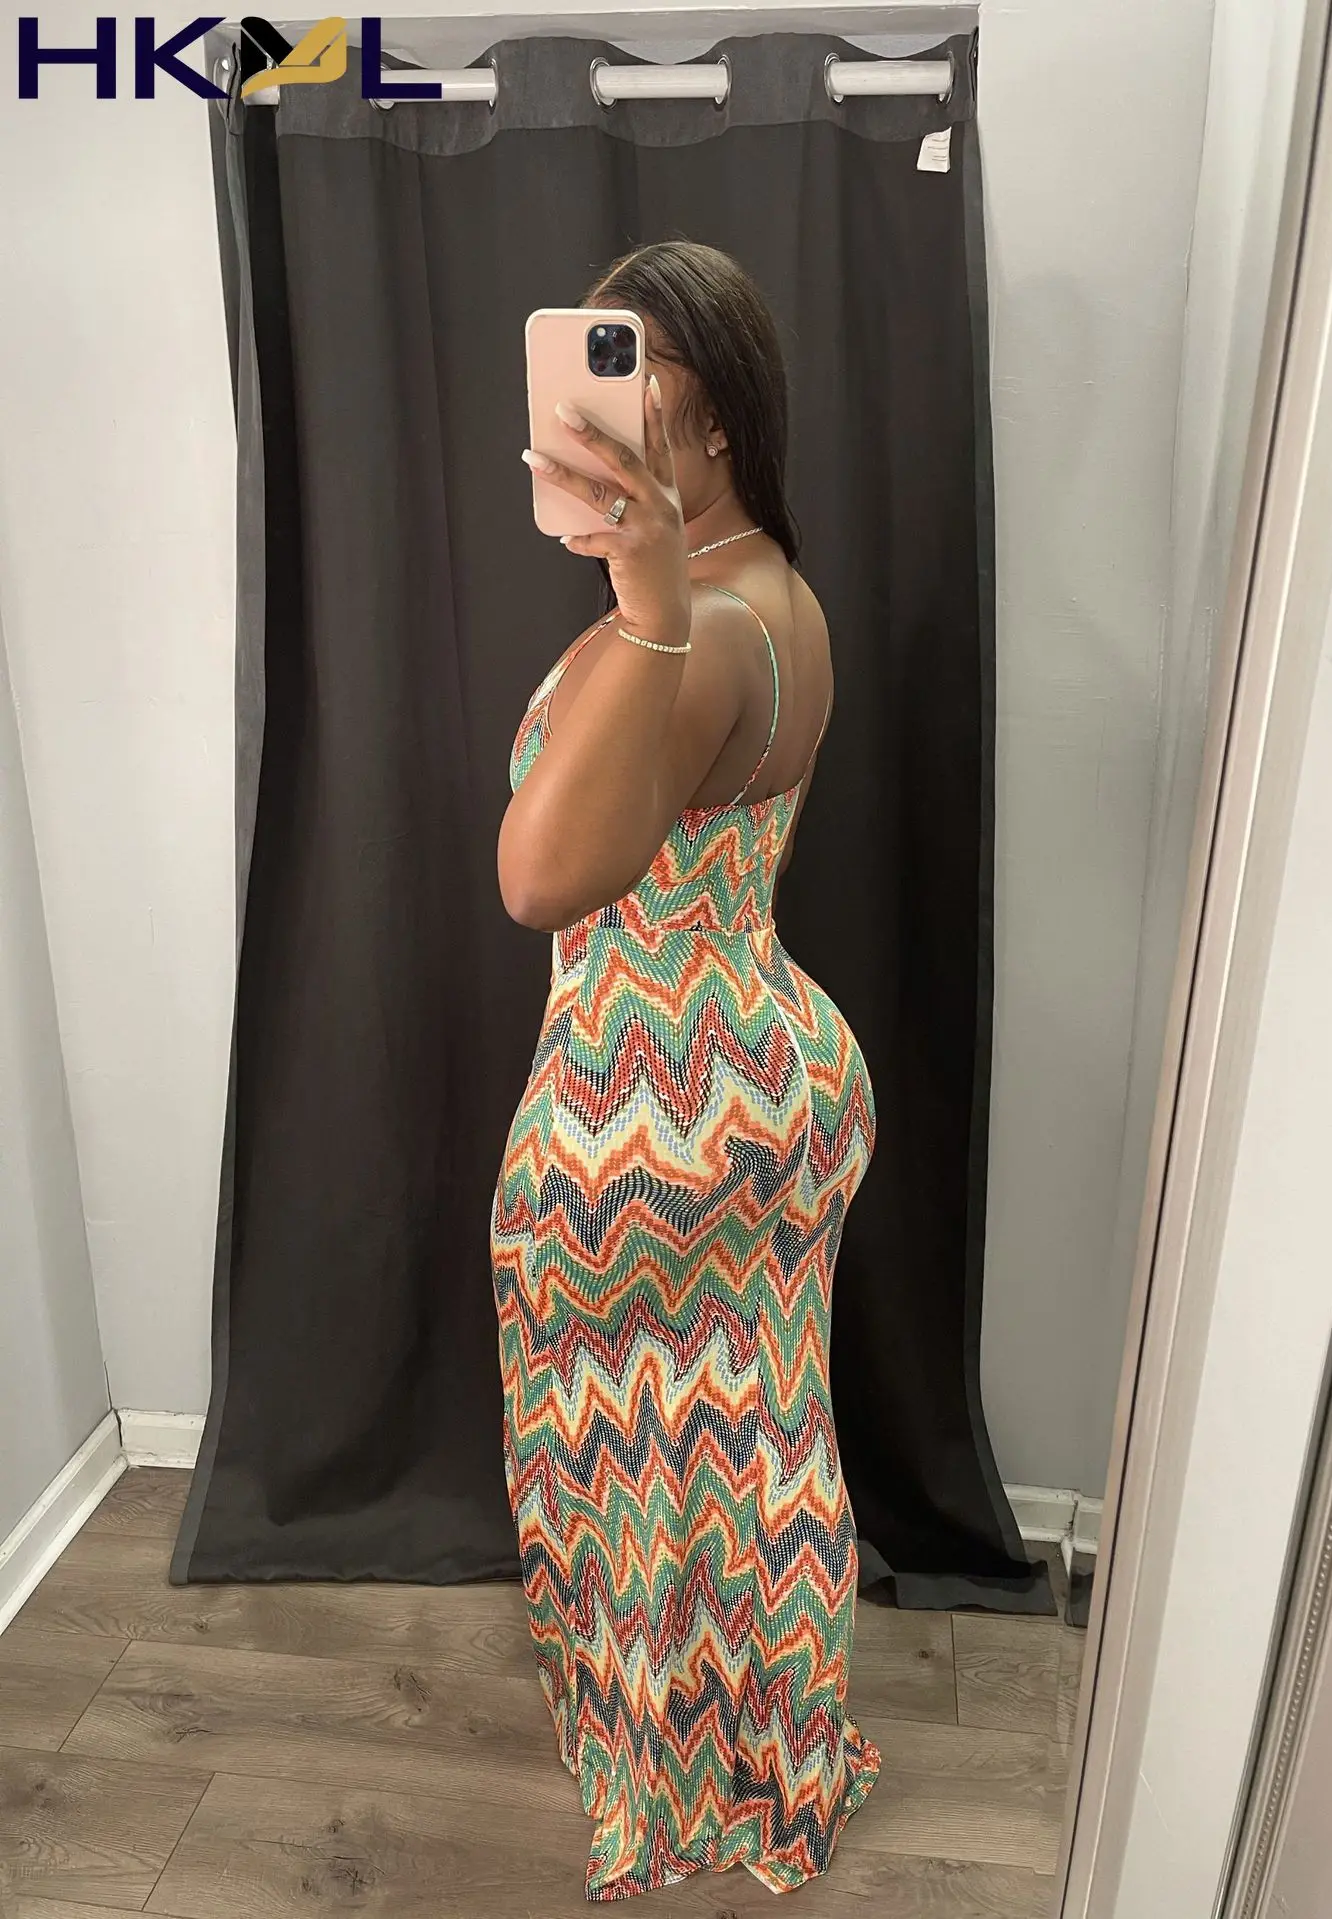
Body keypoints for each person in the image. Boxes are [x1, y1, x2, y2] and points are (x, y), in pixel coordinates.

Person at [491, 240, 879, 1900]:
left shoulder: (700, 624)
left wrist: (643, 611)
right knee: (754, 1446)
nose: (596, 410)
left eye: (632, 372)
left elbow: (538, 878)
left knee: (627, 1463)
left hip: (643, 1104)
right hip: (776, 1068)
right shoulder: (778, 589)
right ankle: (774, 1751)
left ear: (714, 420)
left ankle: (666, 1773)